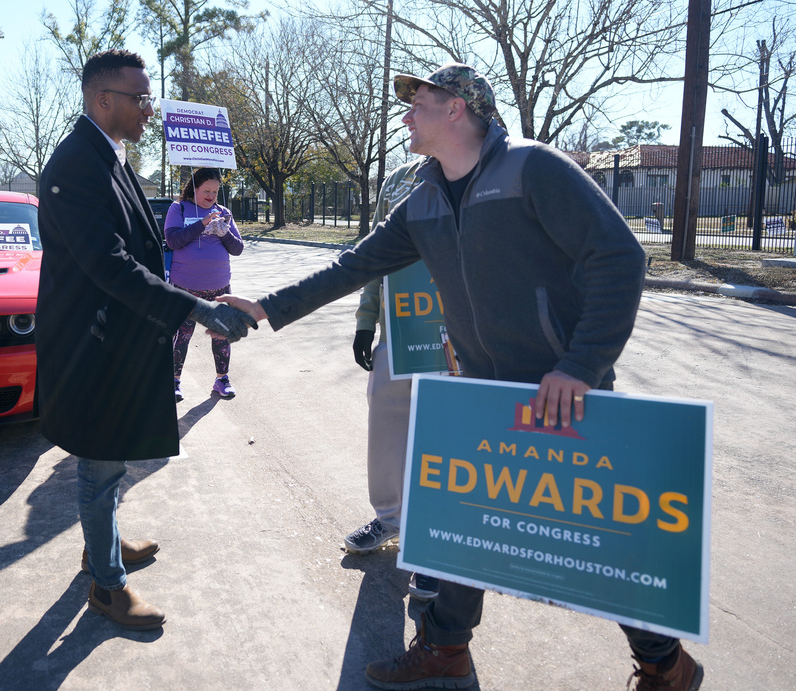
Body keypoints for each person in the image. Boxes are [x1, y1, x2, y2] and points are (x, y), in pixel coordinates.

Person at [218, 63, 702, 690]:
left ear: (457, 110)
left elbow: (619, 255)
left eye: (417, 102)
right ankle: (445, 647)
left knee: (593, 540)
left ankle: (666, 665)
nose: (405, 114)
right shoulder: (421, 200)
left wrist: (580, 367)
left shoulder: (532, 170)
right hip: (479, 391)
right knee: (460, 526)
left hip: (559, 388)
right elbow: (353, 265)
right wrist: (267, 306)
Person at [36, 48, 256, 631]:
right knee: (100, 457)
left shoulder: (109, 155)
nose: (148, 108)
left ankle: (99, 545)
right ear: (101, 99)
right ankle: (107, 585)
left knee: (112, 454)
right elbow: (109, 265)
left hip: (116, 336)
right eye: (139, 97)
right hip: (92, 339)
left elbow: (143, 246)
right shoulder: (75, 165)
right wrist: (196, 308)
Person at [345, 158, 440, 601]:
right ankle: (391, 518)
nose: (409, 116)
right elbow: (377, 250)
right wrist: (367, 318)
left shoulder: (493, 173)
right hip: (402, 328)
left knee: (445, 439)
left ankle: (436, 548)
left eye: (422, 105)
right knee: (386, 425)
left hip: (462, 333)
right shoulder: (401, 178)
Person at [164, 167, 245, 401]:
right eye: (206, 190)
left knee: (221, 334)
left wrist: (223, 232)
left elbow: (237, 249)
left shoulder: (224, 212)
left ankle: (222, 380)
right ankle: (174, 381)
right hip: (186, 289)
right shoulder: (178, 208)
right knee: (182, 336)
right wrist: (202, 223)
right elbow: (173, 240)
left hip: (219, 288)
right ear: (195, 188)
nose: (211, 196)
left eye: (216, 191)